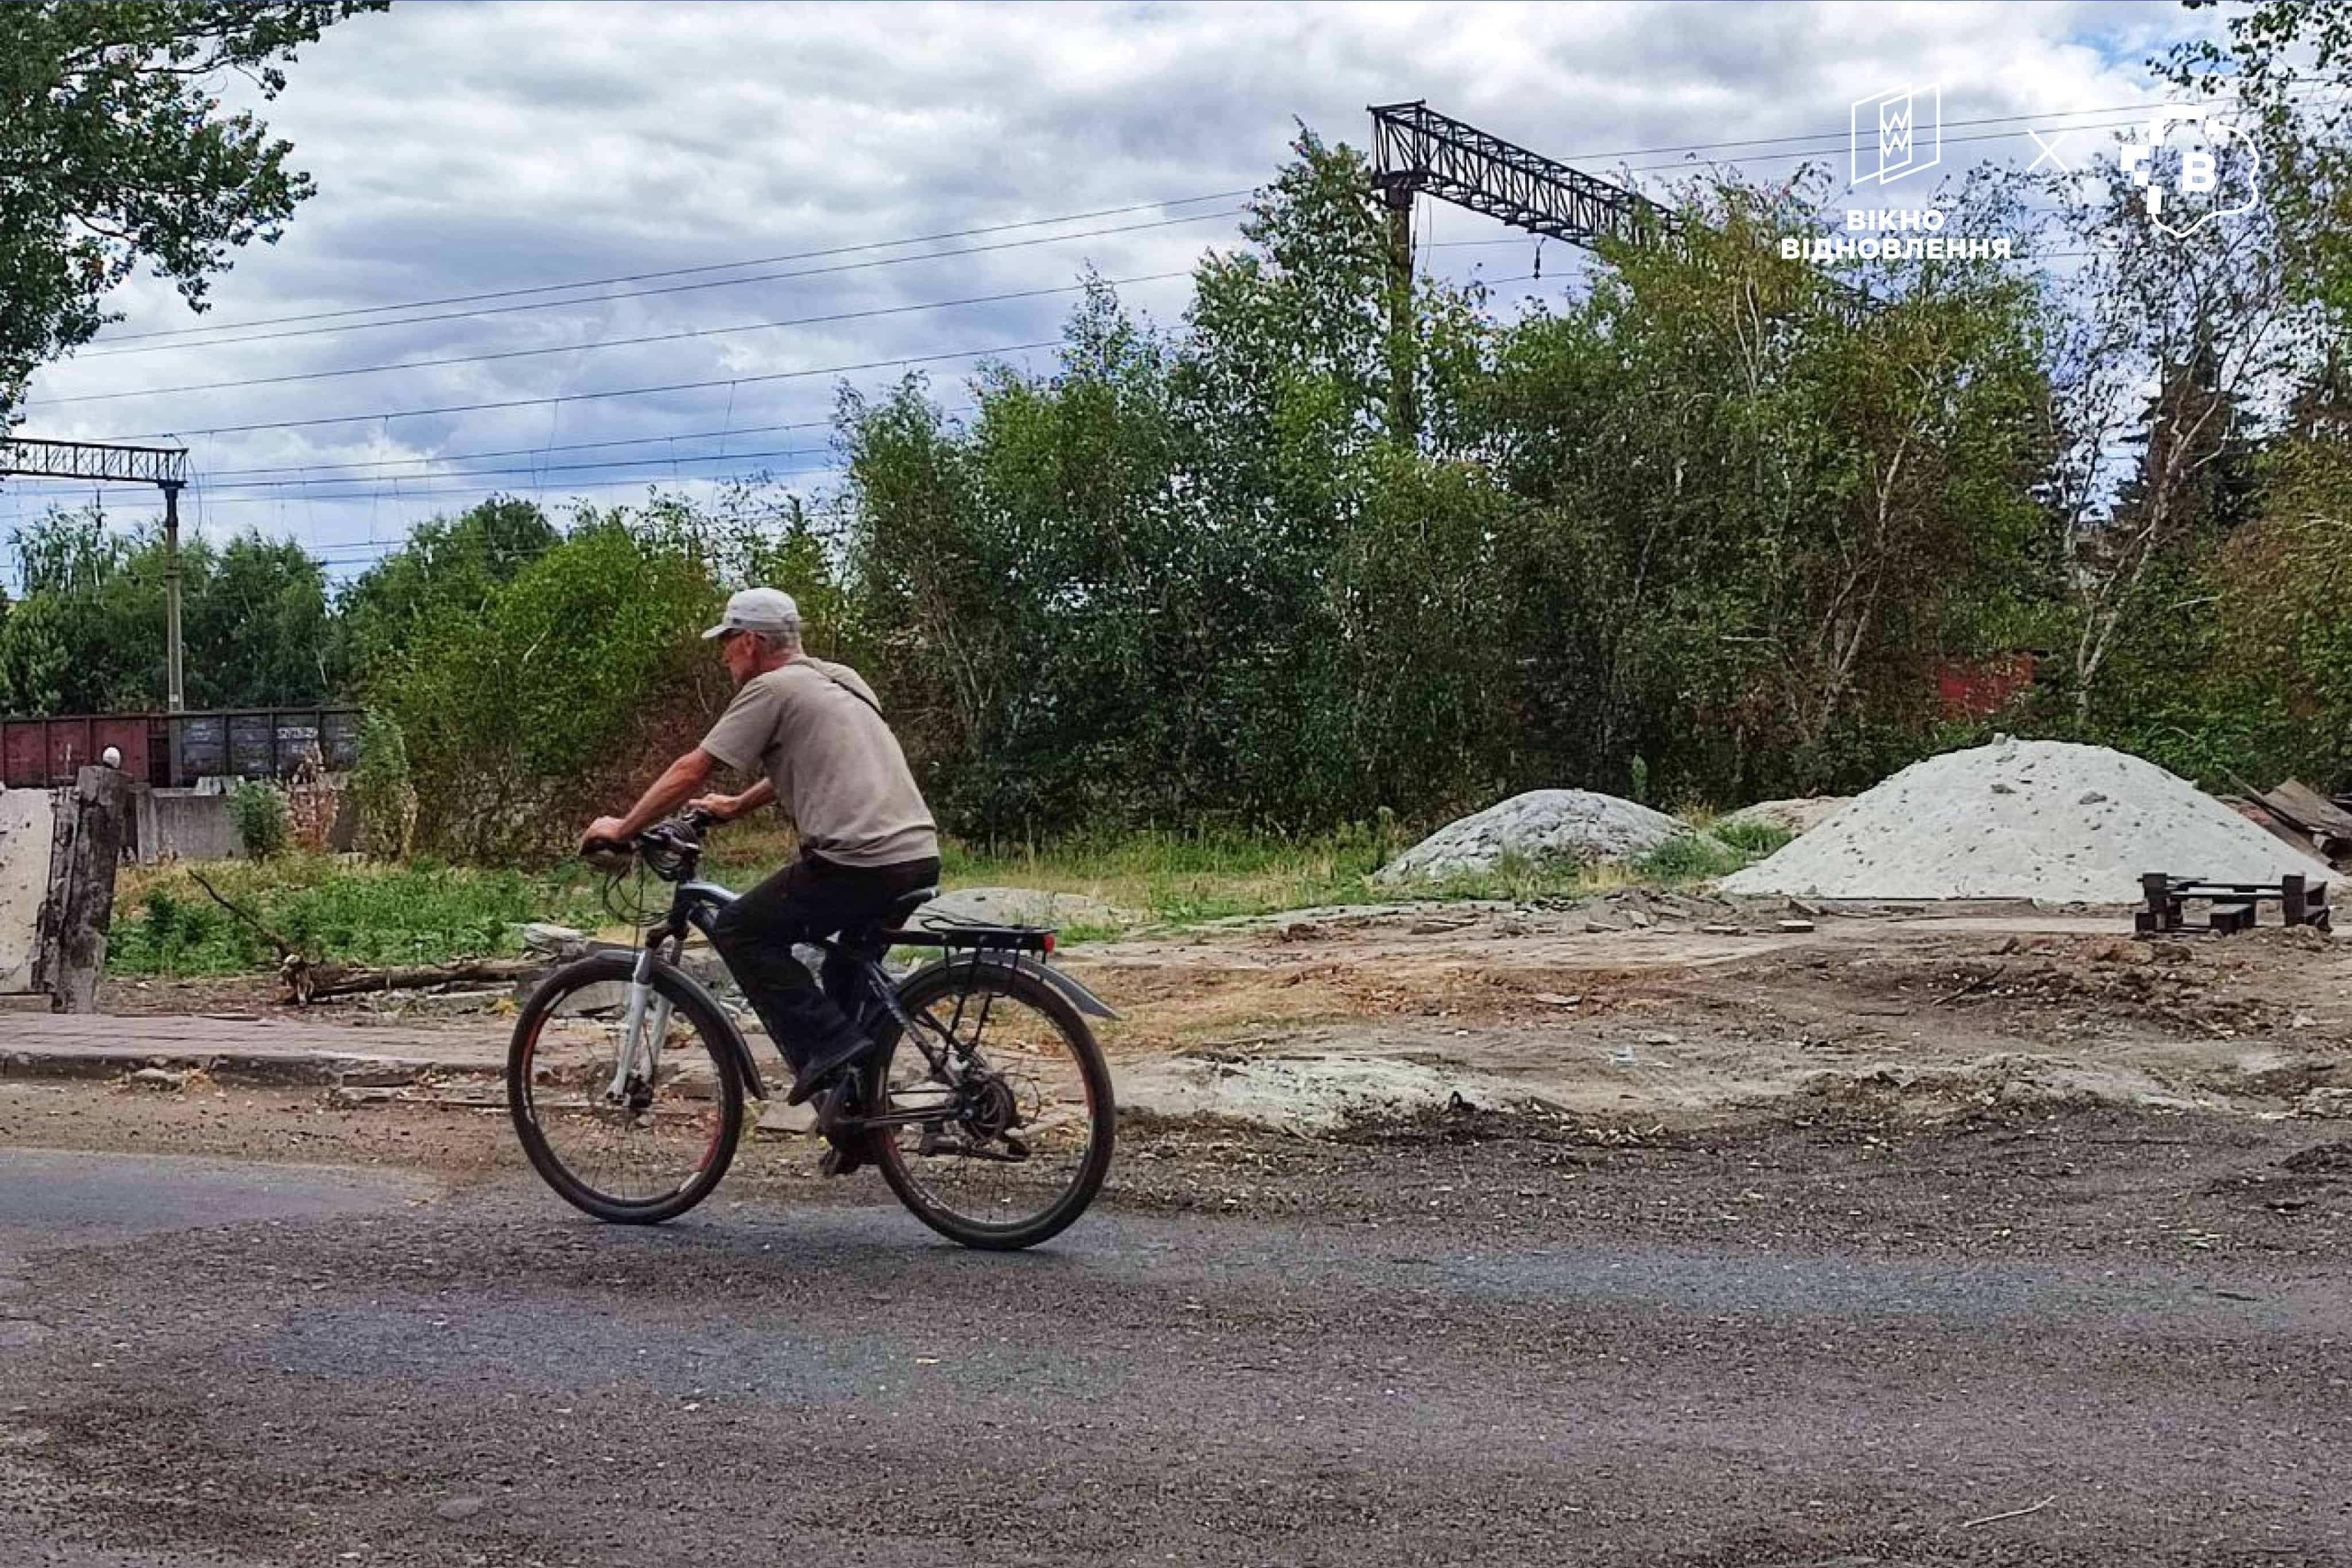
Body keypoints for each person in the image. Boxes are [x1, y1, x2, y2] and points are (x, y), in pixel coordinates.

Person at [581, 586, 942, 1117]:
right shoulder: (842, 678)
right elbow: (817, 757)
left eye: (726, 641)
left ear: (750, 641)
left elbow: (692, 769)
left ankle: (830, 1050)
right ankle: (856, 1113)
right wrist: (736, 807)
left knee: (740, 929)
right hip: (915, 853)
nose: (723, 653)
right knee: (845, 971)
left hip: (856, 861)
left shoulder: (770, 689)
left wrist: (625, 825)